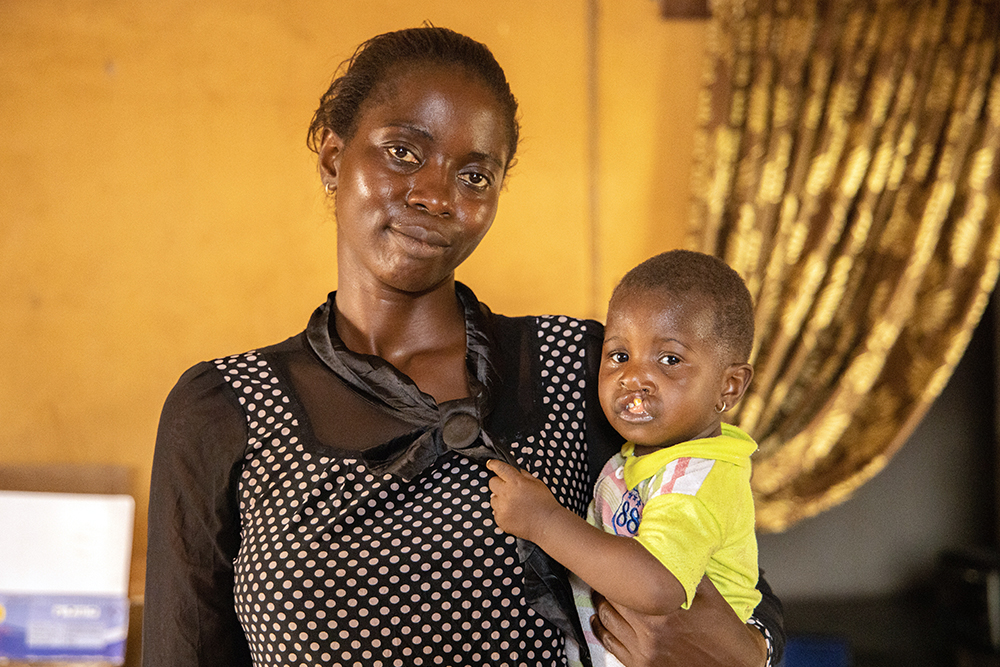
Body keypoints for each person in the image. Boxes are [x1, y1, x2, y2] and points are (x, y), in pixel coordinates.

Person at [142, 26, 784, 667]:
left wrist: (754, 652)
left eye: (475, 175)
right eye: (402, 152)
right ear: (334, 160)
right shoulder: (225, 410)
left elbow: (728, 569)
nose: (436, 195)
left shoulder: (577, 369)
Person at [488, 250, 762, 667]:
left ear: (729, 387)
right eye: (619, 355)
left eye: (669, 360)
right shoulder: (641, 460)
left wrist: (544, 521)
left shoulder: (698, 476)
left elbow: (656, 586)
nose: (633, 377)